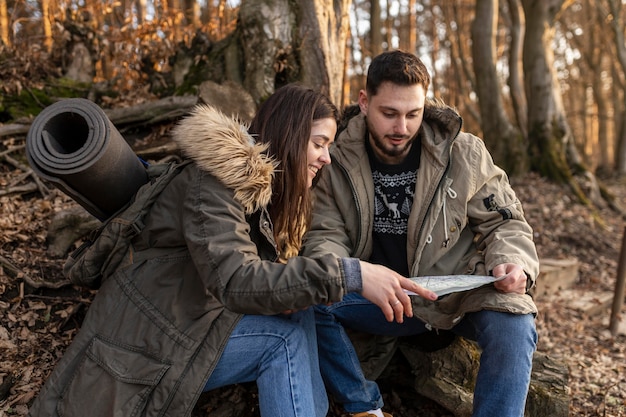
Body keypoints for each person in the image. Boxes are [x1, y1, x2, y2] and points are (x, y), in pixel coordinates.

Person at [27, 84, 437, 417]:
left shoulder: (255, 197)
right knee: (282, 340)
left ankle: (364, 409)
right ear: (291, 136)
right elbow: (236, 281)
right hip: (149, 342)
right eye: (318, 143)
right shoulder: (212, 184)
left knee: (301, 311)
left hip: (192, 324)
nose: (326, 158)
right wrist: (353, 274)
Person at [301, 50, 539, 417]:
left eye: (413, 114)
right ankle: (365, 407)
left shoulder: (464, 152)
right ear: (364, 102)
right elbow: (324, 235)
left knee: (515, 323)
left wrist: (512, 261)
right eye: (389, 114)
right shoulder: (336, 159)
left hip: (457, 296)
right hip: (380, 297)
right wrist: (353, 275)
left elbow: (504, 221)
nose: (402, 127)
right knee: (308, 296)